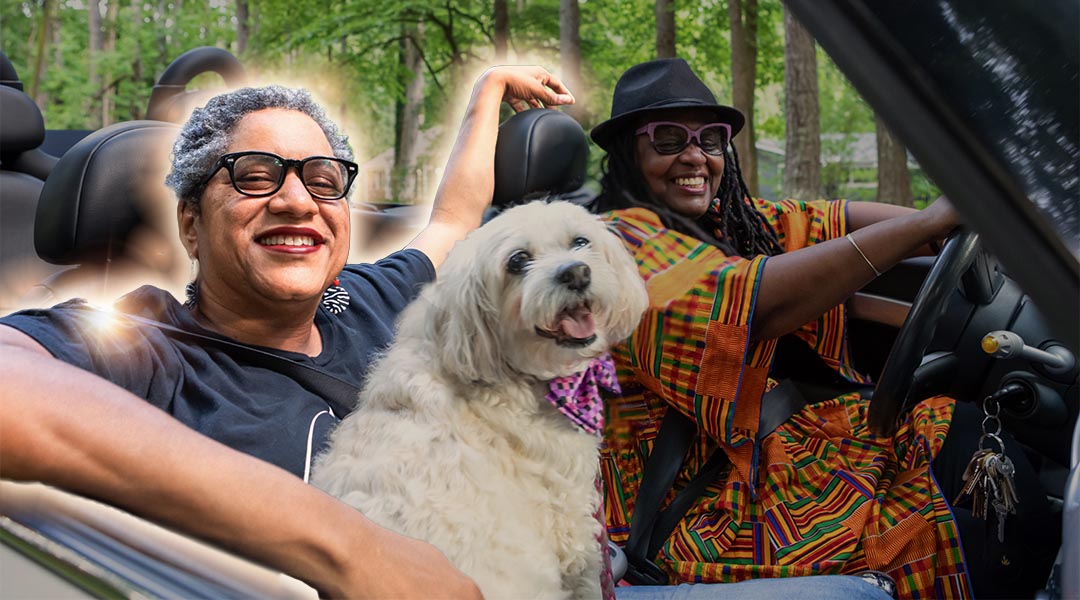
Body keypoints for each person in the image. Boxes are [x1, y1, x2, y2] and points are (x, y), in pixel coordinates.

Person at [0, 66, 575, 598]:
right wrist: (353, 548)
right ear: (191, 224)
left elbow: (451, 222)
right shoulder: (148, 348)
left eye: (323, 180)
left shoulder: (369, 298)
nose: (298, 201)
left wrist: (486, 92)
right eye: (254, 176)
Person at [587, 58, 1057, 599]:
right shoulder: (611, 246)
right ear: (628, 154)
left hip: (769, 454)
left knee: (961, 432)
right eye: (668, 139)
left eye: (710, 139)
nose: (695, 156)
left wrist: (955, 219)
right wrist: (927, 223)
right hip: (696, 507)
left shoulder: (727, 221)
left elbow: (828, 220)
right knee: (954, 513)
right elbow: (751, 304)